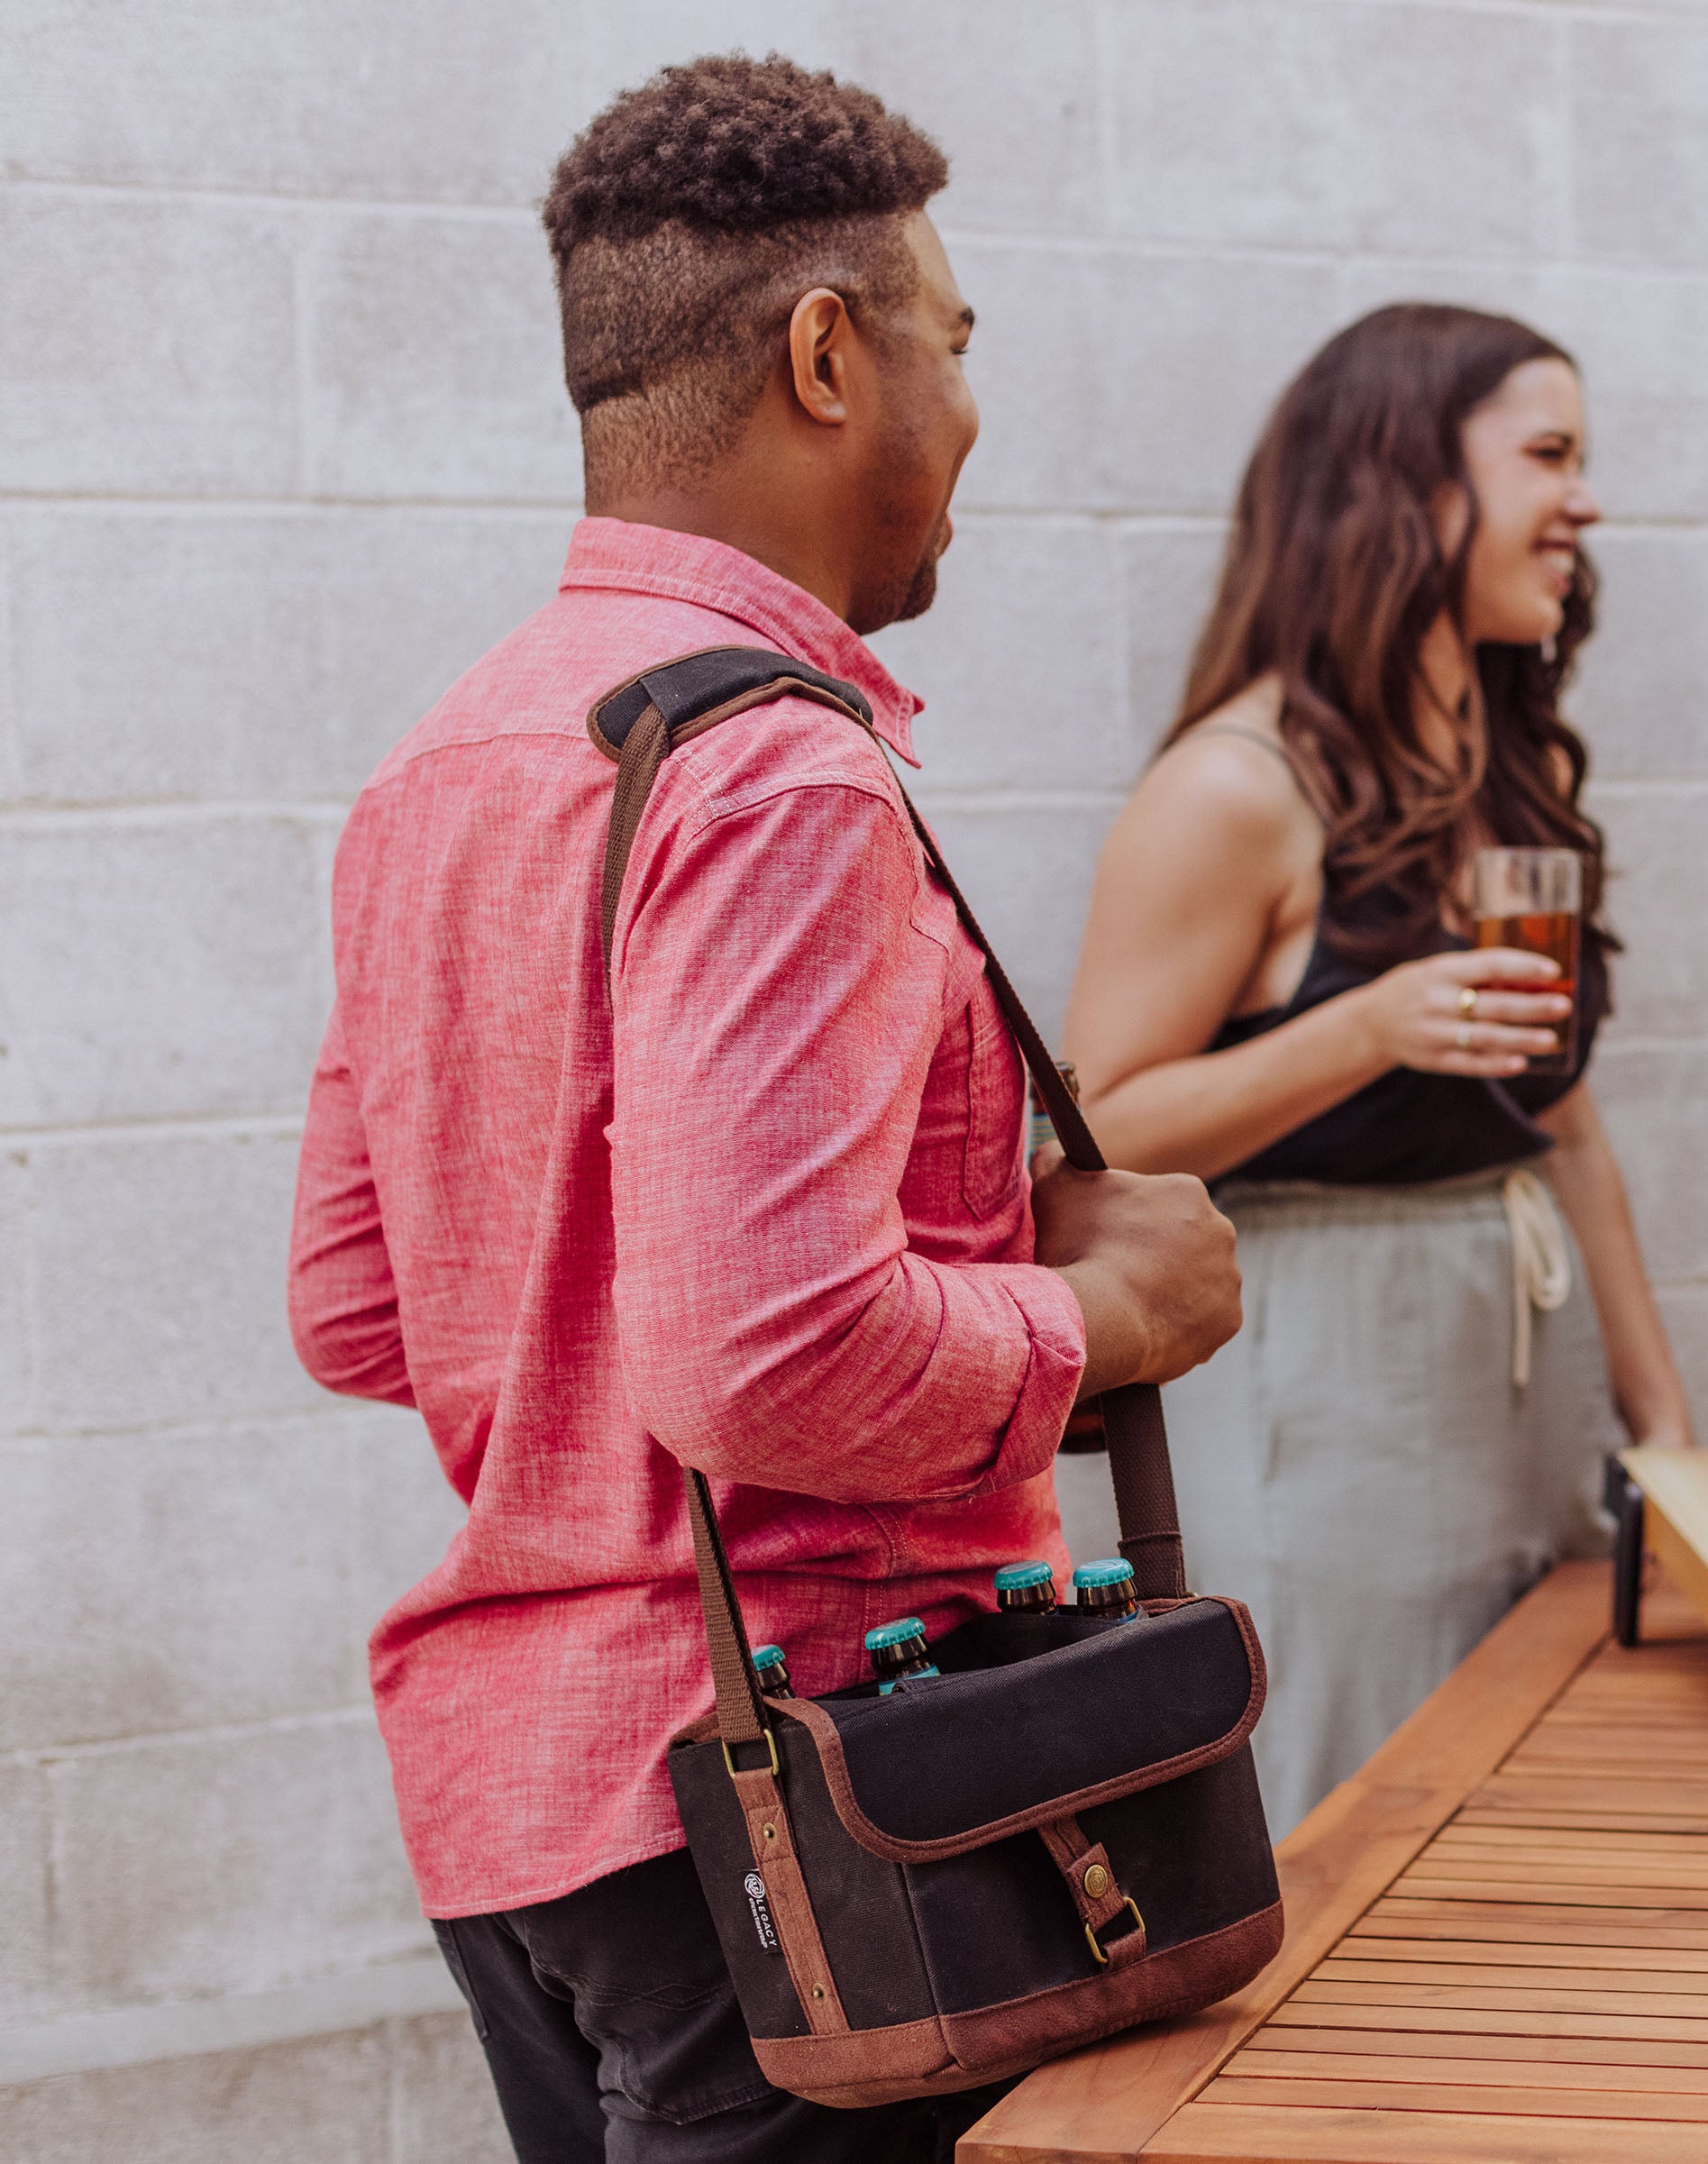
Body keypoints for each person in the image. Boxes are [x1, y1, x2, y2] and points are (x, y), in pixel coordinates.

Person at [286, 58, 1239, 2163]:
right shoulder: (778, 772)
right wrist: (1106, 1320)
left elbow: (364, 1307)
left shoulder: (444, 765)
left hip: (530, 1833)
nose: (973, 408)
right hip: (812, 1811)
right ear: (831, 353)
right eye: (956, 342)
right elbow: (769, 1348)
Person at [1055, 303, 1694, 1835]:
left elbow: (1567, 1122)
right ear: (1406, 485)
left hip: (1510, 1358)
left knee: (1504, 1805)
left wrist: (1661, 1424)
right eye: (1550, 456)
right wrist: (1366, 1026)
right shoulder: (1234, 785)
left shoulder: (1499, 766)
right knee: (1347, 1801)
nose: (1586, 501)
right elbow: (1100, 1131)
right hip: (1317, 1377)